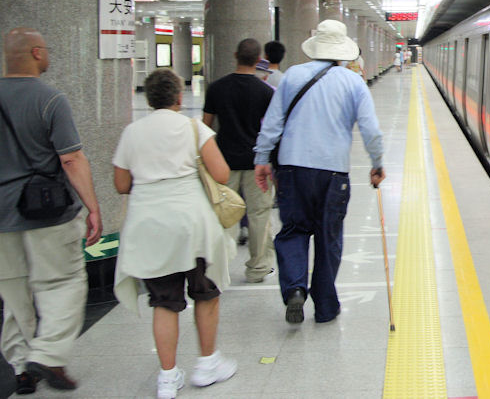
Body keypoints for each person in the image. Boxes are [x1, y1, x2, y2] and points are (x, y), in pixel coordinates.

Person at [112, 69, 237, 399]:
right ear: (179, 97)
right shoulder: (194, 127)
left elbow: (121, 184)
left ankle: (168, 377)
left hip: (149, 226)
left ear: (149, 99)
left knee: (164, 302)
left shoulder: (132, 132)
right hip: (192, 223)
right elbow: (222, 174)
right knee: (205, 292)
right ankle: (207, 363)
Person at [253, 20, 385, 324]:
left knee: (293, 231)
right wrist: (377, 164)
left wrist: (262, 159)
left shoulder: (293, 76)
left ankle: (295, 288)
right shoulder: (353, 81)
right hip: (333, 173)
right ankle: (325, 307)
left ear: (314, 48)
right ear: (342, 52)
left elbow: (271, 123)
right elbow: (371, 130)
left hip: (291, 169)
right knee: (329, 237)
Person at [0, 27, 102, 394]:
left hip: (1, 218)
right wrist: (92, 207)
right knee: (63, 282)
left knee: (14, 292)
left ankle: (21, 367)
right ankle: (46, 353)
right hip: (46, 212)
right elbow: (72, 158)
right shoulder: (50, 99)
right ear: (37, 53)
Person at [202, 39, 276, 283]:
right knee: (259, 215)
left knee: (222, 215)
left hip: (223, 163)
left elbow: (206, 128)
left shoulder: (217, 88)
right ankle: (257, 267)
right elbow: (272, 129)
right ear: (258, 61)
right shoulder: (265, 91)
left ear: (235, 55)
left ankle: (217, 267)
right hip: (257, 162)